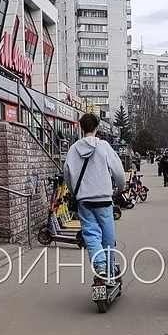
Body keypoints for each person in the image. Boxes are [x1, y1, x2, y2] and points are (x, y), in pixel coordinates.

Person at [63, 113, 126, 278]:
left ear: (82, 129)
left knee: (91, 234)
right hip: (104, 199)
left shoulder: (73, 149)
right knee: (108, 236)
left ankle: (100, 266)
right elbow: (118, 171)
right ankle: (110, 269)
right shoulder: (104, 146)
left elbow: (67, 175)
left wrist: (74, 192)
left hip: (84, 200)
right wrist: (120, 188)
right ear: (97, 128)